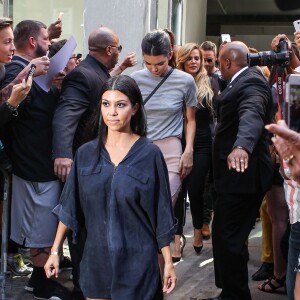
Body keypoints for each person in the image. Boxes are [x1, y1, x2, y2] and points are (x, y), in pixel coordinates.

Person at [45, 75, 177, 300]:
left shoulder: (150, 154)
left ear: (135, 108)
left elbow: (161, 213)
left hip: (138, 264)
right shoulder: (86, 154)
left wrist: (168, 263)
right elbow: (69, 206)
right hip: (96, 262)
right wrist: (55, 251)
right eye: (106, 104)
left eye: (121, 105)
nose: (112, 112)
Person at [0, 20, 71, 300]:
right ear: (32, 42)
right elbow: (7, 104)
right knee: (39, 230)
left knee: (46, 227)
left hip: (42, 163)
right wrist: (30, 71)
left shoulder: (35, 67)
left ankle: (39, 278)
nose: (50, 43)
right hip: (32, 165)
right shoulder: (17, 70)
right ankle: (42, 285)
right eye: (45, 38)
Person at [52, 26, 121, 299]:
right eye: (117, 47)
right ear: (109, 50)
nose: (117, 51)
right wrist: (63, 154)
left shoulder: (97, 73)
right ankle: (84, 287)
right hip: (84, 166)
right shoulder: (83, 75)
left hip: (97, 165)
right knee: (82, 231)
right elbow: (65, 115)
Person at [209, 41, 273, 300]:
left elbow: (252, 113)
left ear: (225, 63)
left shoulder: (252, 83)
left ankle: (235, 295)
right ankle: (230, 292)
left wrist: (242, 146)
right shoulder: (243, 79)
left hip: (243, 177)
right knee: (226, 236)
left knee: (229, 239)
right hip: (233, 178)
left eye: (217, 62)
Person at [131, 30, 197, 267]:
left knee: (161, 209)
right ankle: (146, 270)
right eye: (148, 63)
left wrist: (188, 150)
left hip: (171, 151)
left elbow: (190, 119)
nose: (154, 69)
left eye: (159, 63)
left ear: (170, 54)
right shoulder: (135, 80)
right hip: (140, 151)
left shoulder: (185, 80)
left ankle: (158, 275)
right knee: (139, 211)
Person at [175, 43, 214, 258]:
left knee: (196, 189)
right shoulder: (174, 82)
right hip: (177, 142)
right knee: (177, 191)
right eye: (189, 58)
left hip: (202, 145)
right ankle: (177, 237)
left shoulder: (210, 83)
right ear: (182, 60)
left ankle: (198, 229)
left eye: (197, 58)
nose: (194, 61)